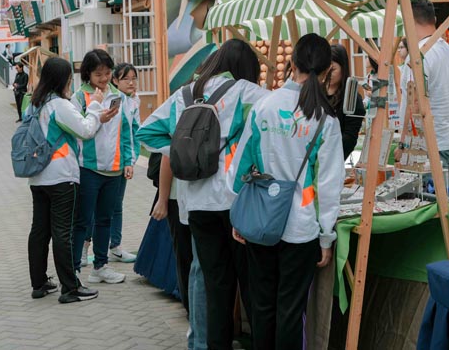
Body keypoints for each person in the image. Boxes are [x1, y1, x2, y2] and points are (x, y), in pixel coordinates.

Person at [137, 39, 268, 350]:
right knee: (251, 283)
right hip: (237, 202)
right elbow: (275, 119)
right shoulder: (246, 92)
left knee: (215, 284)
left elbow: (146, 132)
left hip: (196, 204)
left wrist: (183, 151)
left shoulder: (185, 95)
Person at [229, 34, 344, 350]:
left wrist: (237, 213)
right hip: (301, 228)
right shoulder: (325, 119)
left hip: (260, 222)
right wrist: (326, 237)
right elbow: (329, 184)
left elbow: (239, 167)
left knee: (262, 306)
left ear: (292, 64)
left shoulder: (264, 105)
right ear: (326, 71)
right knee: (291, 311)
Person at [27, 57, 106, 304]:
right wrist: (95, 107)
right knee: (63, 232)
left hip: (38, 175)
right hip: (61, 176)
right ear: (64, 79)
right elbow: (85, 130)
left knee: (40, 231)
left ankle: (39, 283)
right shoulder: (59, 105)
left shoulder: (35, 103)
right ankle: (70, 287)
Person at [71, 49, 127, 285]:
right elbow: (77, 131)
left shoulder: (118, 95)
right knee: (82, 221)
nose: (104, 78)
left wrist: (127, 161)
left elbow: (125, 131)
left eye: (107, 73)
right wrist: (98, 118)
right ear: (88, 74)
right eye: (98, 74)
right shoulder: (79, 97)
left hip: (113, 168)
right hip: (88, 168)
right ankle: (73, 270)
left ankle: (100, 267)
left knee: (105, 220)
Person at [402, 1, 449, 172]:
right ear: (434, 19)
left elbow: (413, 104)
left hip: (430, 140)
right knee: (442, 186)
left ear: (408, 21)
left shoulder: (417, 55)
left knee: (427, 189)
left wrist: (403, 143)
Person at [107, 63, 140, 263]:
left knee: (116, 205)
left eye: (134, 78)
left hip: (122, 161)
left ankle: (115, 246)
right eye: (126, 79)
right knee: (99, 208)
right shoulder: (114, 100)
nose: (131, 83)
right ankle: (85, 247)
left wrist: (130, 160)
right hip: (108, 162)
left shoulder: (133, 100)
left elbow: (134, 133)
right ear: (115, 81)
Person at [326, 44, 365, 160]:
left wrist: (328, 157)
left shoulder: (351, 98)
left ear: (343, 68)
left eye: (333, 69)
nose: (328, 73)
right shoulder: (317, 93)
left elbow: (349, 138)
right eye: (325, 68)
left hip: (333, 158)